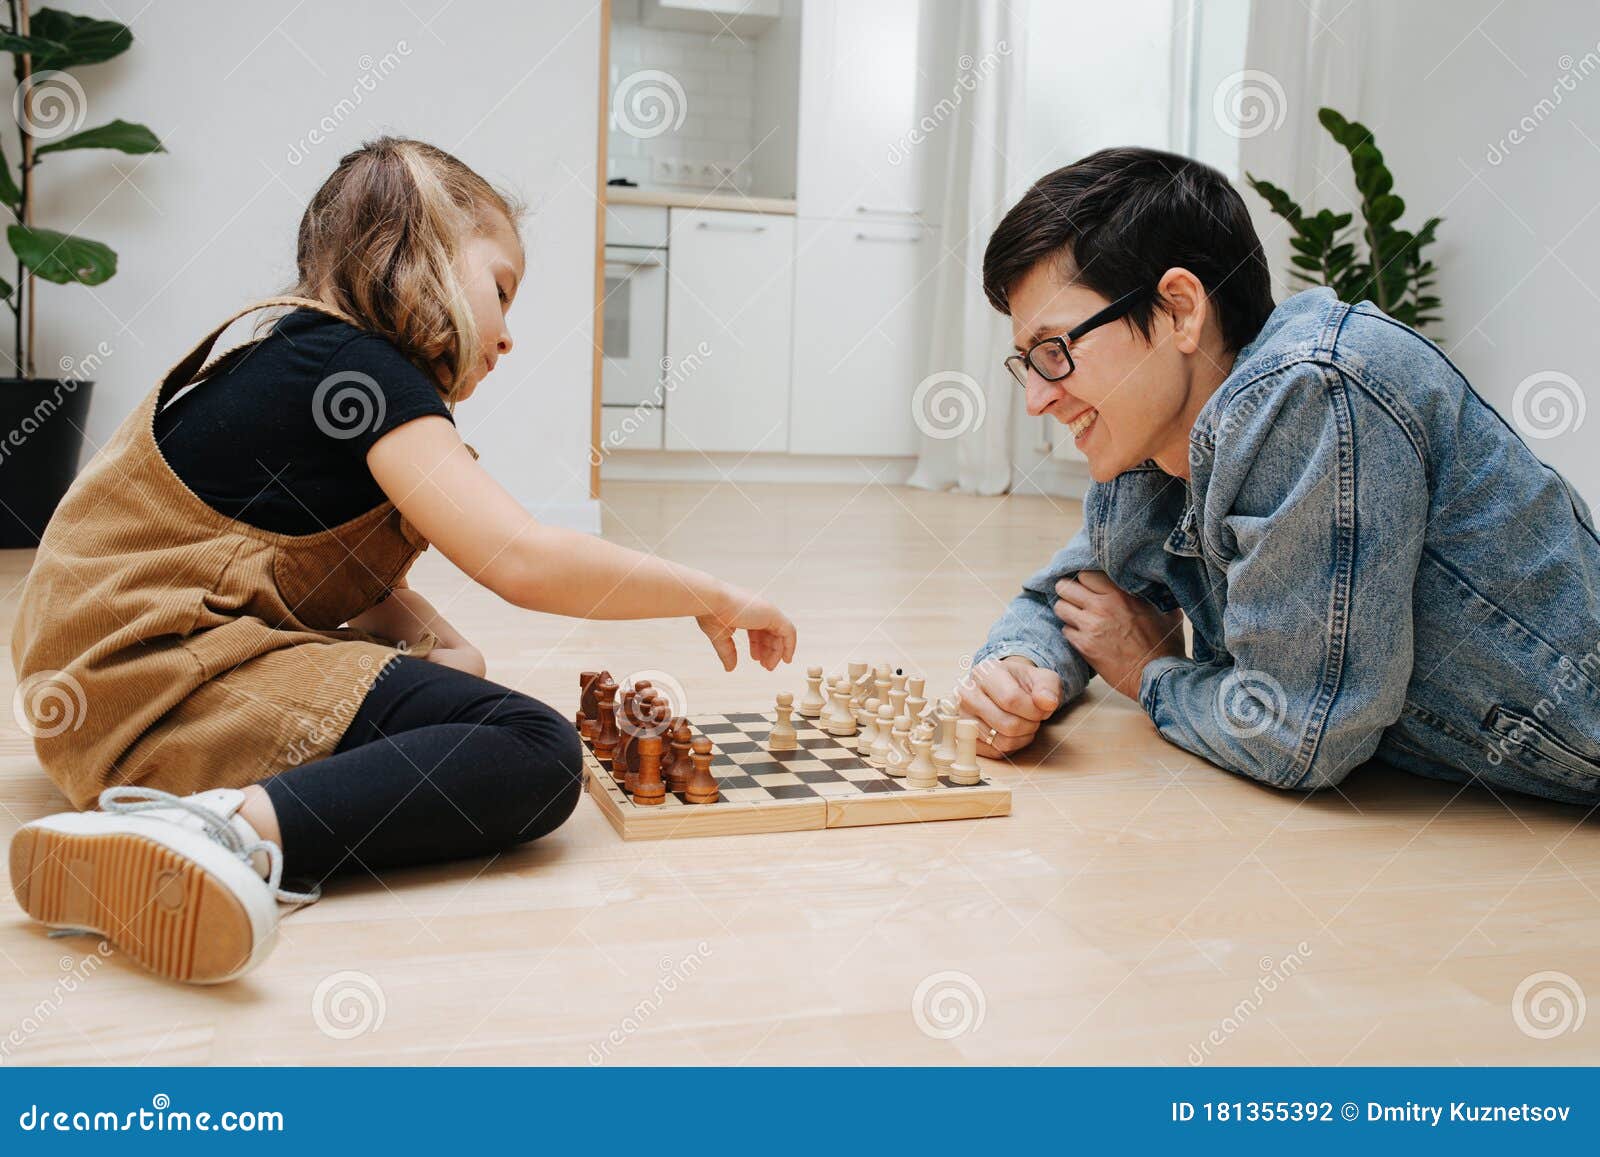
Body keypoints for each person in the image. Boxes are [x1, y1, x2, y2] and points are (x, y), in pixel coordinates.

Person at [8, 137, 796, 984]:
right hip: (153, 682)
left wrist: (452, 654)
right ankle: (216, 832)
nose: (507, 339)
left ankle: (197, 816)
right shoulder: (358, 369)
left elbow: (368, 584)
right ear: (423, 251)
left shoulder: (312, 364)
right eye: (501, 290)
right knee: (536, 748)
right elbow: (523, 559)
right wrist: (706, 592)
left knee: (482, 715)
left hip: (116, 689)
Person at [959, 146, 1600, 806]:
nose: (1037, 397)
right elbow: (1073, 598)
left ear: (1180, 309)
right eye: (1026, 363)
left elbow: (1300, 735)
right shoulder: (1151, 438)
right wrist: (1016, 670)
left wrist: (1150, 673)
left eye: (1053, 351)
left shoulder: (1312, 391)